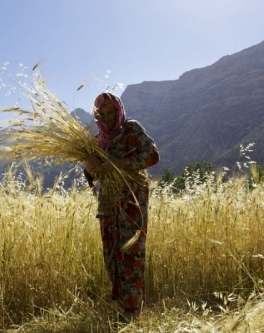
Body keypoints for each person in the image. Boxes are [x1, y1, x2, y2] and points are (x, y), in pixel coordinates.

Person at [84, 92, 160, 322]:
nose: (107, 118)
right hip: (108, 203)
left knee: (131, 253)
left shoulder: (131, 130)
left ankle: (133, 312)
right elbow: (94, 177)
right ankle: (121, 307)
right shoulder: (98, 141)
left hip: (132, 202)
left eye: (111, 112)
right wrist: (89, 167)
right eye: (102, 114)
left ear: (119, 111)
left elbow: (152, 156)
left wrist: (120, 164)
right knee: (111, 254)